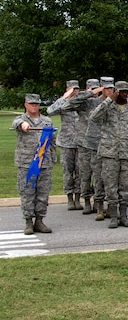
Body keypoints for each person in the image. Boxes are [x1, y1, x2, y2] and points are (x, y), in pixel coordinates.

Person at [89, 81, 128, 228]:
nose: (124, 94)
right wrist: (108, 100)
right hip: (110, 153)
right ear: (115, 92)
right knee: (110, 185)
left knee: (126, 186)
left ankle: (124, 215)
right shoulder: (107, 107)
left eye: (126, 91)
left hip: (127, 153)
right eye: (121, 91)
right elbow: (93, 117)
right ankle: (113, 215)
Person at [13, 93, 57, 235]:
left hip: (44, 163)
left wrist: (52, 158)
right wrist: (23, 125)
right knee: (27, 192)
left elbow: (52, 141)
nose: (34, 106)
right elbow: (17, 124)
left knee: (43, 193)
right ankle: (28, 221)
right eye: (31, 104)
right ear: (25, 104)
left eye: (36, 104)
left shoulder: (47, 121)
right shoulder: (21, 119)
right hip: (27, 163)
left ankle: (39, 220)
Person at [62, 78, 105, 218]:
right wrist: (87, 94)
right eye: (92, 89)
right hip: (84, 144)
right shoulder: (83, 103)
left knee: (99, 175)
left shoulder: (102, 102)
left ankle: (98, 202)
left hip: (98, 143)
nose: (95, 92)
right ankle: (86, 200)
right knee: (84, 175)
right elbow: (67, 105)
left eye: (97, 88)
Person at [46, 80, 81, 211]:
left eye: (77, 89)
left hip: (80, 142)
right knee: (67, 171)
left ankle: (78, 197)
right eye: (72, 90)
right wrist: (64, 98)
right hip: (66, 142)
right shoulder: (63, 104)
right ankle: (70, 198)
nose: (75, 92)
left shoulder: (81, 103)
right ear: (67, 90)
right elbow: (50, 111)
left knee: (80, 172)